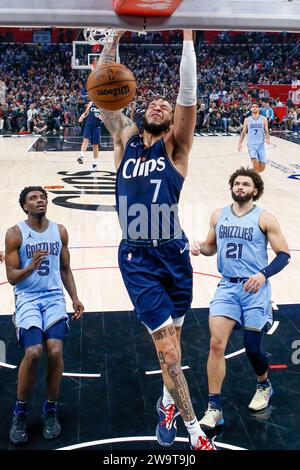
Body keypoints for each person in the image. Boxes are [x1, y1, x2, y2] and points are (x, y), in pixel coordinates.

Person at [97, 30, 215, 451]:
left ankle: (167, 401)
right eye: (152, 102)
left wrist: (187, 39)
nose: (159, 105)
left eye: (165, 105)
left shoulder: (176, 149)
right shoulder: (125, 141)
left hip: (174, 254)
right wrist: (112, 41)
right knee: (169, 355)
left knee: (175, 350)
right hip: (137, 259)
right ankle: (194, 431)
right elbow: (102, 89)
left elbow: (187, 95)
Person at [191, 167, 290, 430]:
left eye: (246, 184)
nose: (240, 187)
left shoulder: (265, 218)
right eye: (236, 183)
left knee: (252, 346)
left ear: (255, 190)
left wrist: (263, 274)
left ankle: (263, 384)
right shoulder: (218, 215)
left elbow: (284, 255)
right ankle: (214, 407)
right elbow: (212, 246)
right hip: (227, 287)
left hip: (255, 289)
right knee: (216, 345)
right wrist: (200, 247)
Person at [5, 186, 84, 444]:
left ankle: (50, 409)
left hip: (53, 299)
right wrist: (31, 266)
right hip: (27, 299)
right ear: (24, 206)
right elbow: (11, 277)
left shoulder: (59, 231)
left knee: (55, 352)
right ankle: (20, 411)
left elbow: (65, 268)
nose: (40, 201)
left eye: (42, 197)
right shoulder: (15, 234)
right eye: (33, 198)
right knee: (33, 352)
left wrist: (74, 297)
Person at [238, 102, 270, 173]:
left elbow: (266, 131)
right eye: (253, 106)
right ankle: (250, 177)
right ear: (251, 108)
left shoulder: (264, 119)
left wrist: (267, 139)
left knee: (262, 168)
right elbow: (243, 133)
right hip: (251, 145)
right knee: (255, 164)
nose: (254, 108)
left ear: (258, 108)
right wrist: (240, 143)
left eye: (256, 106)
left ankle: (247, 173)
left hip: (261, 145)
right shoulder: (247, 119)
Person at [77, 101, 103, 172]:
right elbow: (86, 112)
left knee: (95, 145)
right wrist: (82, 117)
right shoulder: (91, 103)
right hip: (88, 125)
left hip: (96, 127)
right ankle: (81, 156)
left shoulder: (103, 104)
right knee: (85, 139)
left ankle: (95, 164)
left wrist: (102, 117)